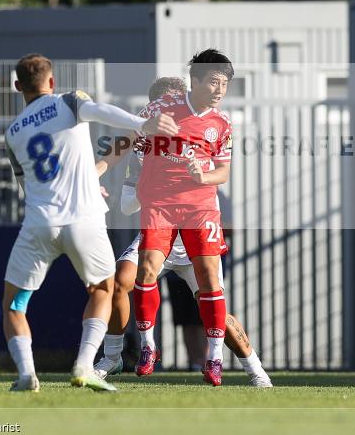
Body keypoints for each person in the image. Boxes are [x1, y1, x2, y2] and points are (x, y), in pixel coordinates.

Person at [2, 53, 178, 392]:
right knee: (101, 290)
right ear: (51, 82)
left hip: (40, 223)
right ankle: (84, 364)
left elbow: (28, 186)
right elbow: (102, 112)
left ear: (17, 86)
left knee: (14, 305)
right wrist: (141, 124)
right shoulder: (69, 101)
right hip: (85, 219)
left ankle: (26, 374)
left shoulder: (12, 133)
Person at [92, 76, 272, 388]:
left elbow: (218, 175)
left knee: (216, 307)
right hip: (159, 228)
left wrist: (196, 176)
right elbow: (127, 204)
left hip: (193, 233)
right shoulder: (142, 147)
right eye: (162, 109)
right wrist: (99, 174)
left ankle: (256, 369)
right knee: (120, 281)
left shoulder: (203, 132)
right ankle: (112, 356)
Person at [133, 50, 234, 387]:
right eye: (214, 82)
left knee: (209, 279)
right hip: (160, 203)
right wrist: (105, 166)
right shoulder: (163, 106)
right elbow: (132, 136)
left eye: (224, 84)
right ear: (196, 81)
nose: (220, 90)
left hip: (200, 207)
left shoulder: (222, 124)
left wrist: (202, 176)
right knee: (145, 268)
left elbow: (223, 172)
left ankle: (215, 357)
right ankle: (148, 348)